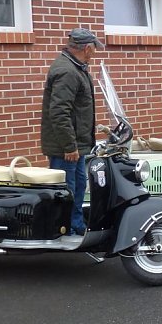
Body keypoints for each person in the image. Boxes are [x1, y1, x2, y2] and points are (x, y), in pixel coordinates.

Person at [40, 27, 104, 235]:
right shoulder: (68, 71)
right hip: (67, 148)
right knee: (66, 190)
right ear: (87, 48)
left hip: (77, 145)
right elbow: (59, 112)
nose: (95, 52)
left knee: (78, 185)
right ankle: (63, 229)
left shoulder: (76, 68)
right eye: (94, 48)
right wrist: (69, 146)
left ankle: (75, 225)